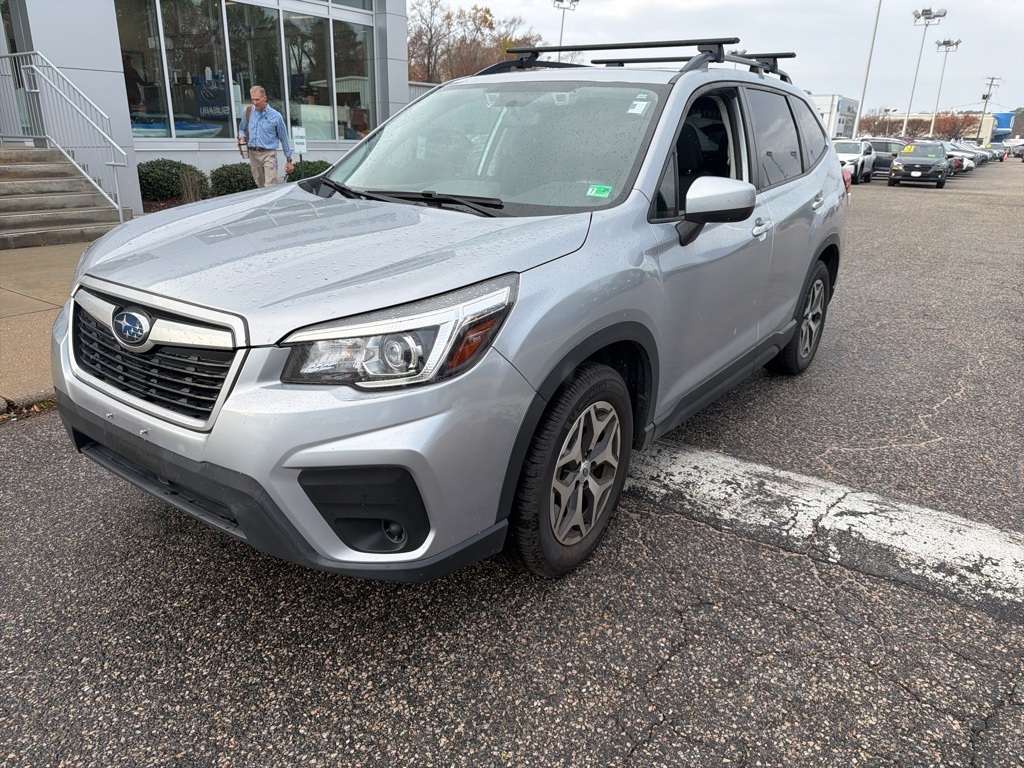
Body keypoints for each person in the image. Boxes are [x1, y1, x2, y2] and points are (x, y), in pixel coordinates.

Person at [237, 86, 293, 187]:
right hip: (253, 154)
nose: (255, 102)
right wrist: (242, 137)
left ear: (265, 98)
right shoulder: (248, 111)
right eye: (253, 99)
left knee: (270, 184)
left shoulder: (276, 116)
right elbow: (241, 128)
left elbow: (284, 137)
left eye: (257, 99)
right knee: (260, 184)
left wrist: (288, 159)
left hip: (269, 154)